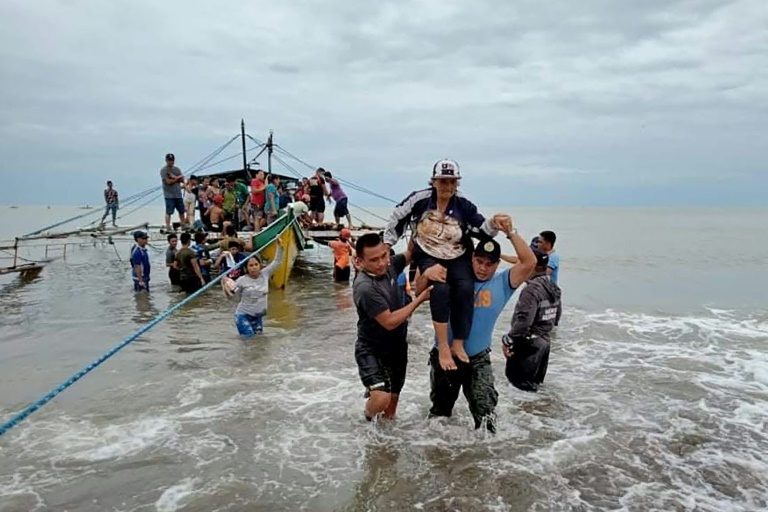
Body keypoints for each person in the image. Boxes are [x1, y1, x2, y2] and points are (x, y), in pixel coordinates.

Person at [384, 158, 510, 371]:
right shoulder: (420, 199)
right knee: (440, 289)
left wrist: (494, 224)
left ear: (457, 183)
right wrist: (387, 244)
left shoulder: (463, 204)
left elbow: (481, 229)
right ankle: (443, 346)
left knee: (464, 288)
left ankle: (458, 342)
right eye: (443, 181)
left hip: (458, 253)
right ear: (433, 181)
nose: (448, 187)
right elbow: (398, 217)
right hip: (428, 253)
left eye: (452, 182)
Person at [419, 223, 535, 432]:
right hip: (445, 358)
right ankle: (437, 458)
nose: (482, 268)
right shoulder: (455, 278)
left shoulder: (503, 283)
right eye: (479, 261)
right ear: (471, 258)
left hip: (478, 359)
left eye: (489, 264)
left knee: (486, 417)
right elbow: (420, 288)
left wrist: (510, 232)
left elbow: (529, 262)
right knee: (439, 416)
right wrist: (427, 273)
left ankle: (485, 462)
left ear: (497, 264)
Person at [352, 233, 432, 421]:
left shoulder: (391, 265)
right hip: (371, 350)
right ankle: (366, 419)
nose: (381, 263)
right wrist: (420, 298)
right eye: (373, 260)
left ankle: (385, 443)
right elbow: (389, 321)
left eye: (383, 256)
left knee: (391, 406)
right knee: (381, 398)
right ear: (360, 261)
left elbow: (410, 252)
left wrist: (418, 229)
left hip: (397, 347)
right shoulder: (365, 287)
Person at [502, 250, 562, 392]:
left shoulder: (531, 290)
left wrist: (508, 339)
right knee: (535, 388)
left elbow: (524, 322)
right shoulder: (553, 286)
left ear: (531, 265)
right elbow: (557, 316)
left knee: (518, 389)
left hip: (528, 346)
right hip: (544, 343)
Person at [222, 238, 284, 338]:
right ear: (246, 268)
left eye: (256, 264)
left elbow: (277, 262)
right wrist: (226, 283)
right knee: (249, 340)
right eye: (251, 265)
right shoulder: (241, 280)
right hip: (243, 316)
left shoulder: (265, 274)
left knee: (258, 342)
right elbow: (232, 297)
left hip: (258, 316)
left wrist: (280, 246)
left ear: (260, 265)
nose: (254, 267)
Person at [160, 153, 187, 231]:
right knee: (169, 212)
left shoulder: (177, 169)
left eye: (172, 160)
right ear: (166, 161)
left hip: (178, 194)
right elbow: (168, 182)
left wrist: (175, 177)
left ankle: (183, 225)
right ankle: (168, 226)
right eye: (169, 160)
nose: (171, 162)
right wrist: (176, 178)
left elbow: (182, 180)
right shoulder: (163, 170)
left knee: (181, 211)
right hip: (169, 195)